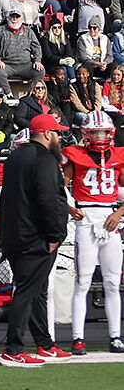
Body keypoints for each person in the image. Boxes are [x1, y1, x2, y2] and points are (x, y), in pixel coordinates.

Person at [0, 112, 71, 364]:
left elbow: (5, 197)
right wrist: (55, 235)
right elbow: (50, 202)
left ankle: (44, 343)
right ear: (47, 134)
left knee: (36, 290)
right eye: (57, 133)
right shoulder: (45, 160)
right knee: (27, 291)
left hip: (13, 234)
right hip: (35, 236)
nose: (59, 137)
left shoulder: (15, 156)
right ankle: (14, 348)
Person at [60, 112, 122, 354]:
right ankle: (78, 338)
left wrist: (119, 214)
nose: (100, 136)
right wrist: (68, 206)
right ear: (86, 134)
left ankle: (115, 336)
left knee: (112, 283)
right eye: (96, 132)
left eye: (104, 132)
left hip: (110, 218)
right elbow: (60, 185)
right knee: (83, 282)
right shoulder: (75, 155)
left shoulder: (118, 155)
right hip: (86, 220)